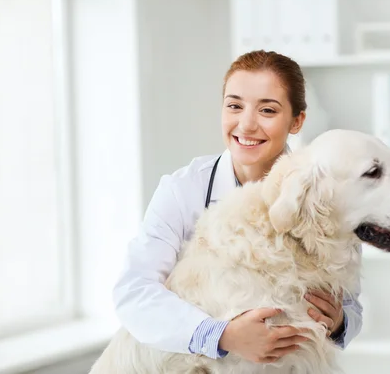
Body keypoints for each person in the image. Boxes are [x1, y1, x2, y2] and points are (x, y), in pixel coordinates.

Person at [112, 50, 363, 364]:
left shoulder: (326, 193)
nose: (246, 125)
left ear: (297, 120)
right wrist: (222, 335)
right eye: (234, 106)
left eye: (267, 110)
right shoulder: (183, 190)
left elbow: (351, 303)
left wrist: (340, 322)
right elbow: (134, 292)